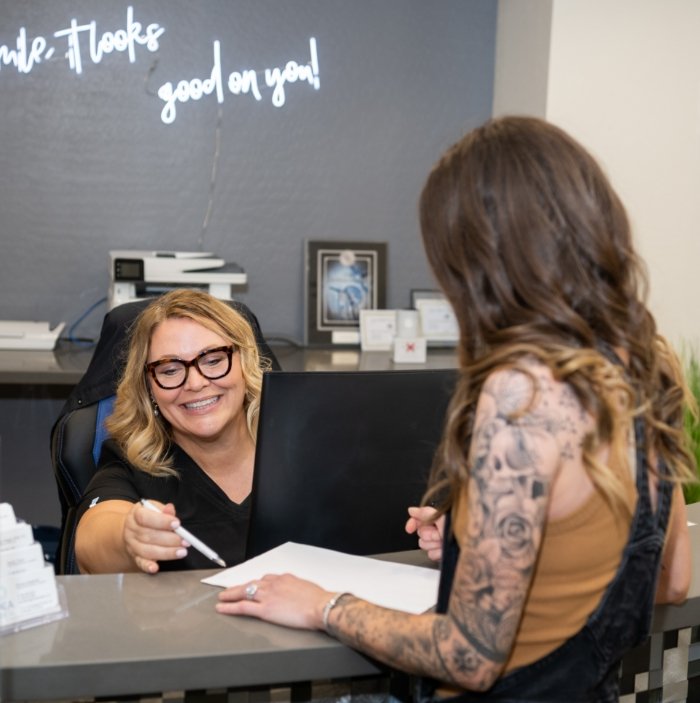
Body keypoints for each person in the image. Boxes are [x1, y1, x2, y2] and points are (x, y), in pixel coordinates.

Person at [215, 116, 696, 701]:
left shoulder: (520, 397)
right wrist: (479, 540)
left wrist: (324, 605)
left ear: (478, 259)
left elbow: (469, 657)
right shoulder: (647, 372)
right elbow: (670, 580)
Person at [74, 288, 270, 574]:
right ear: (149, 387)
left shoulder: (297, 447)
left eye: (213, 360)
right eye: (170, 370)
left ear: (245, 363)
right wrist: (129, 538)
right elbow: (90, 545)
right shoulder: (133, 462)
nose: (195, 383)